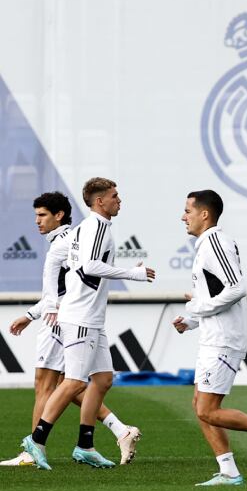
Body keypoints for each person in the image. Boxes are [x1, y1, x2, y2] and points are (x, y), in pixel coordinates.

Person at [19, 178, 155, 470]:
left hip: (91, 318)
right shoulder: (94, 227)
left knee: (103, 379)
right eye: (115, 196)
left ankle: (85, 445)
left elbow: (60, 259)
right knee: (74, 382)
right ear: (99, 202)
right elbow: (89, 266)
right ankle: (36, 440)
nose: (120, 200)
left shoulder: (86, 229)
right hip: (79, 317)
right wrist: (135, 273)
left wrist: (50, 303)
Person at [171, 190, 247, 485]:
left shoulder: (216, 242)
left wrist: (198, 306)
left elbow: (236, 288)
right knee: (200, 405)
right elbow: (215, 293)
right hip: (213, 337)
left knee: (207, 409)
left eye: (187, 210)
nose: (182, 216)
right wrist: (191, 320)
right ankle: (229, 471)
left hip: (224, 340)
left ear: (204, 214)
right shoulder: (205, 246)